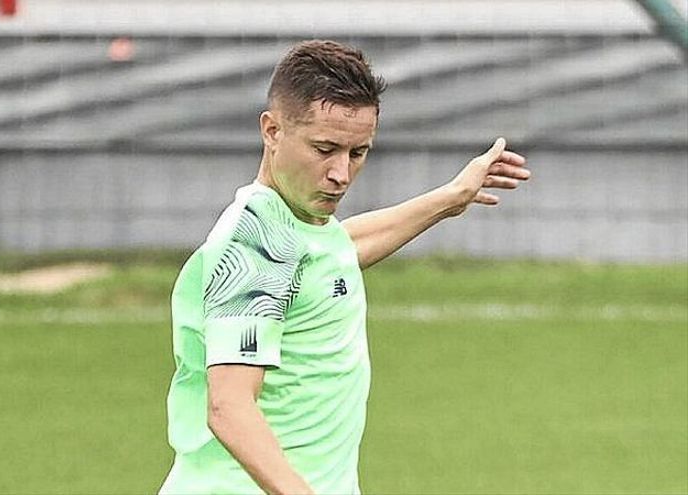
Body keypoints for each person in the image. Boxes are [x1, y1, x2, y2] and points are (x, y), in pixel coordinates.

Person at [158, 39, 530, 494]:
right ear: (272, 131)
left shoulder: (300, 230)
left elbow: (335, 253)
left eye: (357, 153)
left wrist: (450, 199)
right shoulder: (255, 244)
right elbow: (229, 407)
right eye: (324, 149)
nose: (341, 173)